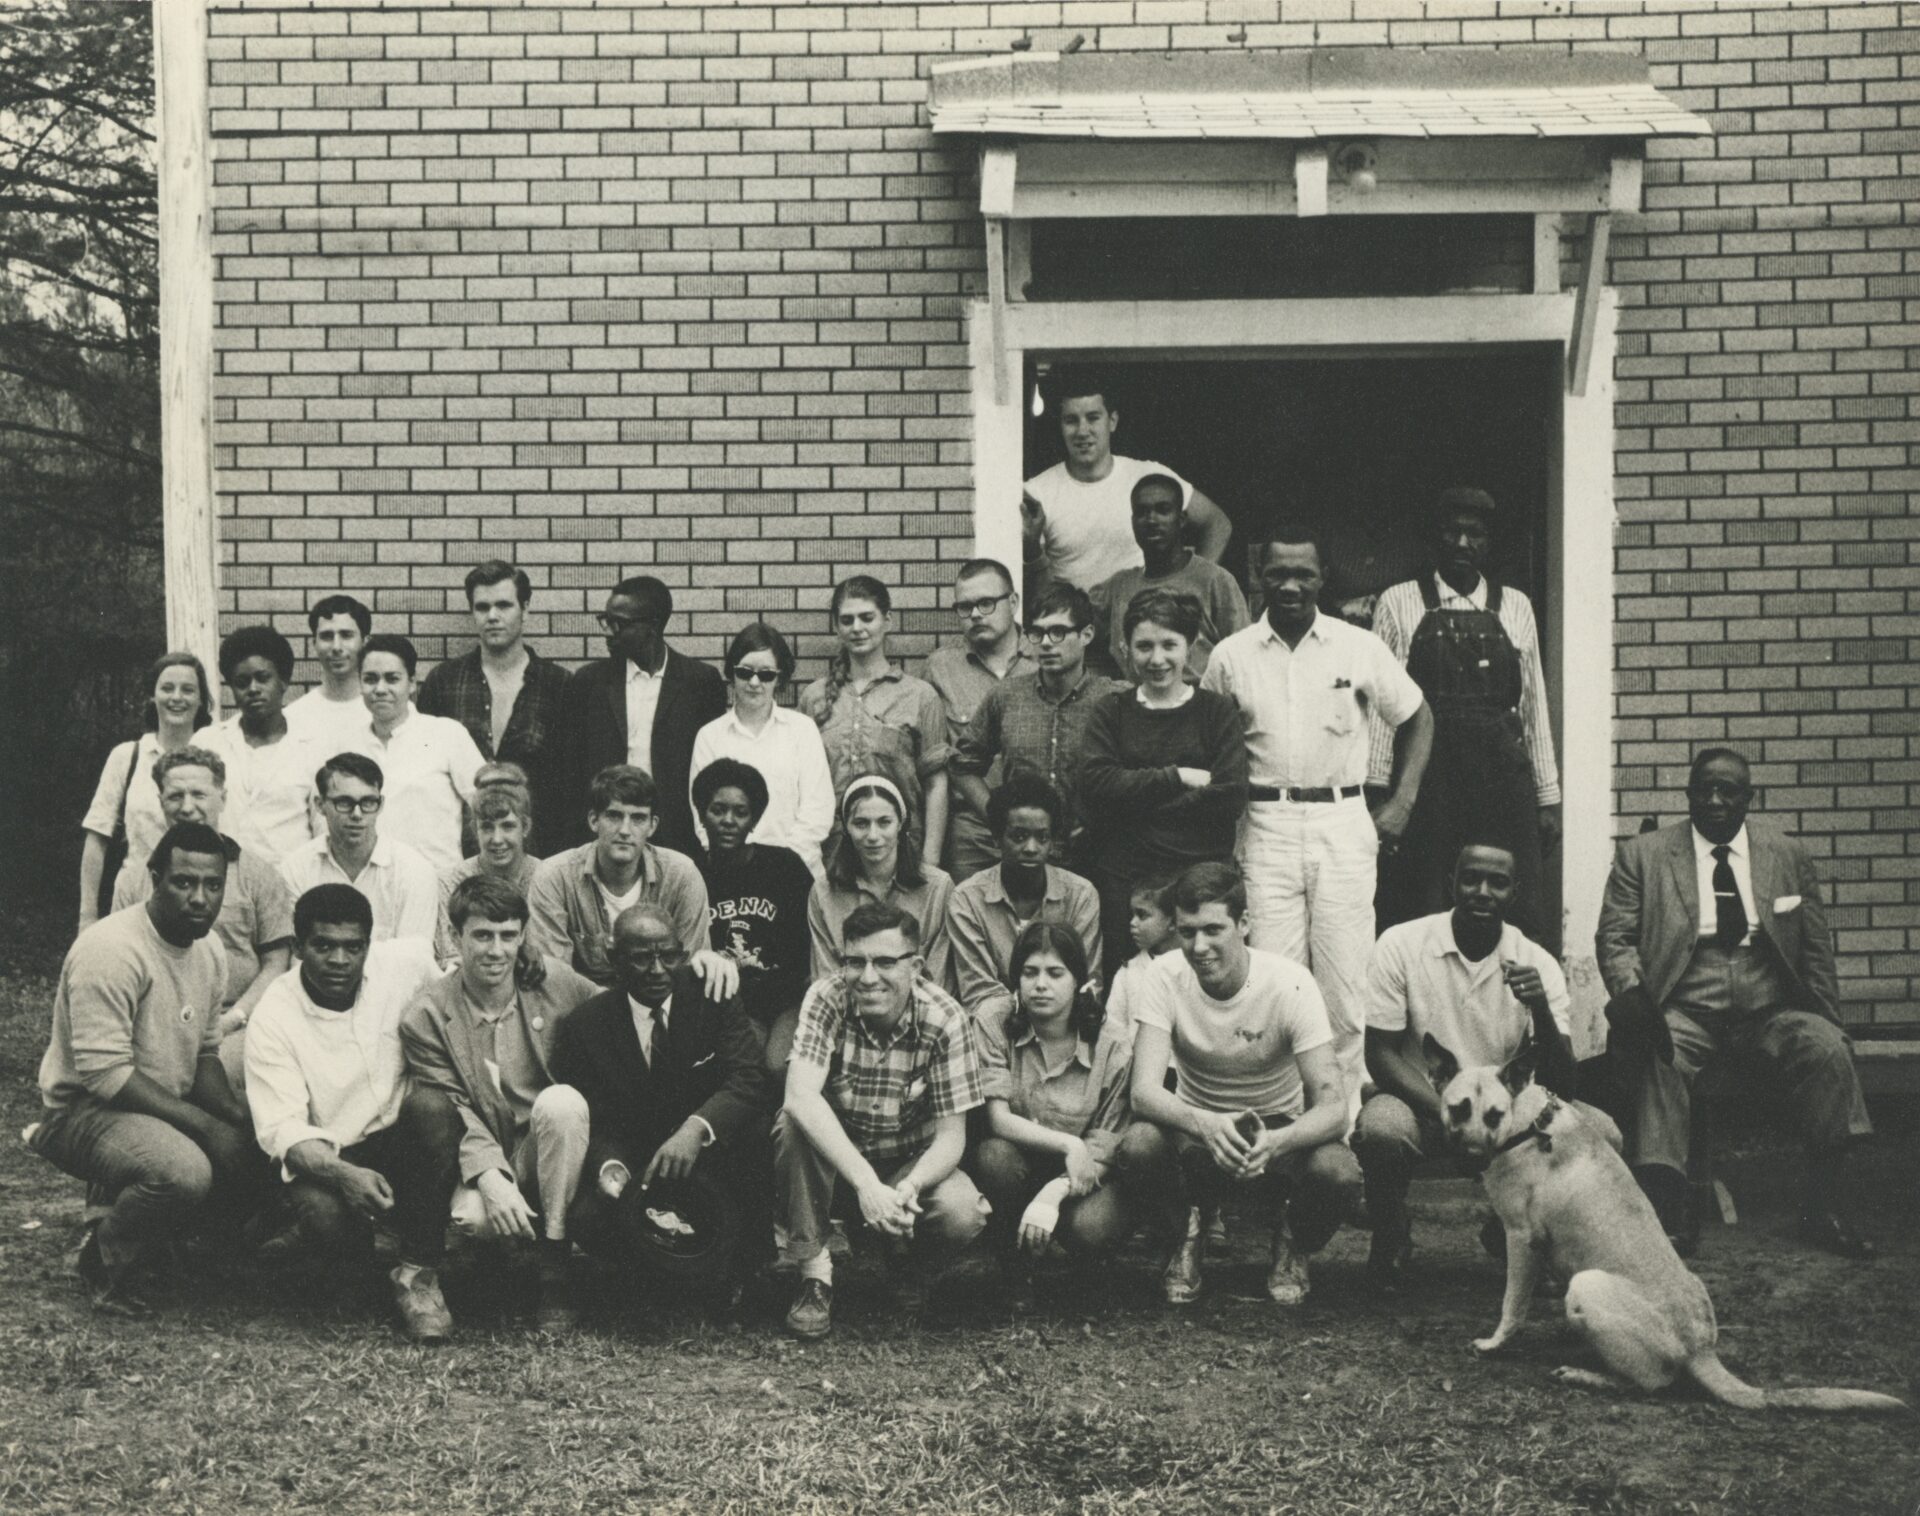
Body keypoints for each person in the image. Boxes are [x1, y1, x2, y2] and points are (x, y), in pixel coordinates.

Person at [1595, 747, 1875, 1258]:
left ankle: (1824, 1207)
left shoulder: (1787, 855)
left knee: (1827, 1049)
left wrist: (1831, 1020)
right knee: (1661, 1054)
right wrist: (1634, 1000)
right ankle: (1668, 1212)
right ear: (1689, 795)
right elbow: (1614, 937)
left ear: (1750, 798)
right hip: (1685, 998)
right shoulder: (1646, 854)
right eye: (1705, 790)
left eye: (1729, 791)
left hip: (1769, 1003)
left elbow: (1815, 949)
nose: (1716, 800)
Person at [1203, 527, 1433, 1123]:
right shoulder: (1231, 656)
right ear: (1260, 576)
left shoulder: (1356, 647)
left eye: (1303, 573)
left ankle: (1345, 1126)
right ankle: (1283, 1127)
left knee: (1344, 984)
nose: (1290, 585)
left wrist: (1402, 801)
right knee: (1275, 981)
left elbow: (1417, 716)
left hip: (1341, 820)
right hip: (1265, 822)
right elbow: (1209, 739)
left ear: (1323, 578)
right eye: (1277, 572)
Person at [28, 822, 259, 1316]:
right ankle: (103, 1258)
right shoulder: (111, 949)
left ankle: (183, 1248)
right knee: (184, 1171)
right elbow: (104, 1075)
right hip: (80, 1111)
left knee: (250, 1131)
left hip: (153, 1104)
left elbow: (205, 1052)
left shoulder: (209, 948)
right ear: (154, 878)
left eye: (212, 885)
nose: (199, 898)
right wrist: (203, 1125)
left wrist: (236, 1121)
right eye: (183, 882)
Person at [1124, 862, 1360, 1308]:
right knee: (1137, 1145)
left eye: (1214, 929)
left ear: (1245, 924)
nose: (1199, 947)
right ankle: (1185, 1235)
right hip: (1199, 1131)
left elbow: (1333, 1107)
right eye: (1187, 931)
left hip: (1275, 1131)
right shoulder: (1164, 976)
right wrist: (1207, 1124)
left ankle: (1293, 1241)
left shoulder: (1289, 983)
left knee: (1338, 1172)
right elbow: (1144, 1091)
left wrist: (1279, 1140)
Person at [241, 885, 461, 1339]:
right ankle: (319, 1244)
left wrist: (529, 958)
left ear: (369, 944)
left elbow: (464, 972)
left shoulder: (405, 963)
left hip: (399, 1139)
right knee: (329, 1227)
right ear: (298, 947)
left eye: (352, 947)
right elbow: (284, 1134)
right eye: (323, 946)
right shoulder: (273, 1016)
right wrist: (344, 1175)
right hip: (331, 1154)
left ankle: (417, 1273)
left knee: (434, 1108)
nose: (339, 960)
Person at [1354, 842, 1578, 1286]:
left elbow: (1564, 1083)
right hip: (1424, 1103)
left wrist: (1541, 1011)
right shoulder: (1402, 944)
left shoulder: (1537, 963)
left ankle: (1512, 1232)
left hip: (1504, 1114)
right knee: (1381, 1129)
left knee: (1602, 1132)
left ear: (1514, 893)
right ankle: (1391, 1232)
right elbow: (1379, 1053)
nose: (1482, 891)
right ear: (1450, 885)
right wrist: (1441, 1109)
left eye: (1497, 882)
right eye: (1471, 878)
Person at [776, 900, 989, 1339]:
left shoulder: (946, 1019)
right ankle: (814, 1276)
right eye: (855, 962)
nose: (867, 977)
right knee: (793, 1123)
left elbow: (951, 1139)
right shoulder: (826, 997)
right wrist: (866, 1185)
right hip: (835, 1165)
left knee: (961, 1211)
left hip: (906, 1163)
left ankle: (907, 1266)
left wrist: (907, 1187)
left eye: (885, 962)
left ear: (917, 965)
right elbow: (800, 1095)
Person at [399, 874, 601, 1328]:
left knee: (563, 1102)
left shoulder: (552, 980)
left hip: (546, 1147)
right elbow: (452, 1104)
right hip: (483, 1151)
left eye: (508, 936)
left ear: (523, 935)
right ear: (455, 936)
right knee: (473, 1219)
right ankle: (499, 1261)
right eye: (482, 936)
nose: (496, 951)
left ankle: (553, 1262)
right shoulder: (427, 1015)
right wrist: (490, 1174)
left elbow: (610, 1012)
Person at [553, 904, 775, 1307]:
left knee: (755, 1132)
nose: (657, 970)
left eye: (668, 956)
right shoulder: (587, 1025)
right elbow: (593, 1117)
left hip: (708, 1158)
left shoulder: (714, 998)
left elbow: (750, 1077)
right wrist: (610, 1165)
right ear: (613, 959)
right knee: (588, 1217)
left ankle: (748, 1270)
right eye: (641, 958)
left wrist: (695, 1129)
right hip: (639, 1164)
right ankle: (651, 1276)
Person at [1369, 488, 1561, 947]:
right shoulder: (1399, 601)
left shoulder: (1514, 605)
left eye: (1473, 534)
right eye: (1450, 532)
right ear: (1433, 540)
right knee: (1423, 902)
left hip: (1501, 777)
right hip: (1429, 779)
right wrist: (1379, 788)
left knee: (1511, 903)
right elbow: (1381, 706)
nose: (1461, 543)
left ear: (1489, 542)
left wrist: (1546, 795)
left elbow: (1532, 702)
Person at [1080, 589, 1248, 984]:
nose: (1157, 659)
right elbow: (1095, 784)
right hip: (1128, 884)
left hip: (1202, 879)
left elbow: (1228, 797)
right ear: (1125, 648)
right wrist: (1179, 778)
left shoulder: (1215, 711)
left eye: (1169, 645)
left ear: (1189, 646)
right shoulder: (1112, 711)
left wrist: (1133, 800)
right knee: (1131, 986)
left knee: (1204, 984)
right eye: (1144, 646)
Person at [970, 922, 1143, 1299]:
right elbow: (997, 1119)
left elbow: (1107, 1140)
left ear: (1080, 981)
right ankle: (1017, 1267)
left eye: (1055, 973)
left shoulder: (1110, 1042)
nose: (1040, 984)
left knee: (1092, 1229)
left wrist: (1056, 1189)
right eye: (1029, 973)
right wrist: (1068, 1144)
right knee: (993, 1156)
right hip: (1018, 1162)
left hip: (1083, 1175)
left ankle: (1085, 1270)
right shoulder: (993, 1020)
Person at [111, 748, 295, 1085]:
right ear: (160, 800)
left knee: (209, 1078)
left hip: (234, 1025)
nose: (187, 806)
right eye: (175, 795)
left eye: (199, 794)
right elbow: (117, 963)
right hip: (153, 1026)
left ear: (222, 798)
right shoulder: (135, 878)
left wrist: (235, 1018)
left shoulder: (258, 874)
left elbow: (277, 964)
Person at [950, 581, 1127, 868]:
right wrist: (999, 817)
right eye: (1037, 633)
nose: (1045, 643)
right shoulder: (1006, 696)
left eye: (1058, 632)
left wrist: (1103, 821)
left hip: (1096, 856)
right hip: (1025, 857)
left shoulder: (1113, 699)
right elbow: (963, 765)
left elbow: (1136, 772)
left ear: (1086, 635)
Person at [1021, 368, 1231, 594]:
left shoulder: (1148, 477)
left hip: (1143, 621)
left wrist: (1192, 585)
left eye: (1093, 418)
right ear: (1060, 426)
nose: (1082, 431)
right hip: (1075, 623)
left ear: (1112, 421)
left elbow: (1217, 523)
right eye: (1071, 421)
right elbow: (1035, 587)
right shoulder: (1038, 491)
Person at [559, 574, 727, 856]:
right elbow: (570, 772)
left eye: (619, 623)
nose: (609, 631)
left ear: (653, 625)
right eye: (606, 620)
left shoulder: (700, 682)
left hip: (676, 836)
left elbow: (710, 771)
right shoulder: (588, 682)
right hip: (607, 834)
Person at [798, 575, 950, 869]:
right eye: (847, 620)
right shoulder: (814, 697)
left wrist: (930, 860)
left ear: (888, 620)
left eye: (867, 617)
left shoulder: (919, 696)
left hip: (900, 853)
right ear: (836, 626)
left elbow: (936, 784)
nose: (857, 628)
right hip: (830, 855)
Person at [417, 559, 573, 839]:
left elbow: (572, 779)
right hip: (459, 848)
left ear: (525, 609)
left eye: (503, 605)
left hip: (540, 849)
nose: (492, 616)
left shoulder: (558, 684)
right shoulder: (443, 682)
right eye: (482, 607)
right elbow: (423, 768)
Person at [526, 764, 712, 987]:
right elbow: (555, 976)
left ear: (652, 826)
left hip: (661, 1005)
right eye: (614, 816)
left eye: (638, 818)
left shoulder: (681, 875)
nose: (625, 830)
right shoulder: (555, 876)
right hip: (582, 1011)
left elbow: (689, 967)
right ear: (594, 820)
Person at [690, 757, 816, 1072]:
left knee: (780, 1065)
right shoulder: (690, 873)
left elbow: (807, 944)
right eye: (718, 810)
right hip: (727, 1003)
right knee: (740, 1062)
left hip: (785, 1001)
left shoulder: (785, 866)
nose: (728, 820)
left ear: (754, 819)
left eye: (740, 812)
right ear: (702, 816)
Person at [78, 650, 216, 931]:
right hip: (136, 900)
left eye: (188, 690)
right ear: (152, 696)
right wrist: (87, 916)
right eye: (167, 688)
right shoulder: (127, 756)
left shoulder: (216, 755)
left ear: (201, 700)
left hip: (200, 902)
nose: (177, 697)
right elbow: (97, 838)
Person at [687, 621, 834, 879]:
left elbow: (818, 809)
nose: (754, 682)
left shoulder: (802, 730)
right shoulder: (710, 736)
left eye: (766, 674)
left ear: (779, 678)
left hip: (795, 874)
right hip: (729, 875)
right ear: (732, 673)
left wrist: (782, 866)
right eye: (745, 672)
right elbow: (701, 811)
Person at [948, 775, 1102, 1019]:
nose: (1031, 848)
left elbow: (1086, 983)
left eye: (1042, 838)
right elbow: (979, 992)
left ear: (1052, 842)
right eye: (1019, 837)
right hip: (995, 1028)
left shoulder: (1080, 894)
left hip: (1063, 1027)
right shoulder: (967, 899)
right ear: (997, 838)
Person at [923, 560, 1032, 882]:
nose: (975, 614)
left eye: (986, 603)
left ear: (1013, 602)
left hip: (1038, 831)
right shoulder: (940, 669)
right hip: (970, 834)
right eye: (965, 606)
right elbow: (933, 761)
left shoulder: (1045, 660)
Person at [1091, 473, 1248, 681]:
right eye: (1142, 512)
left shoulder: (1215, 581)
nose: (1152, 520)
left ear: (1181, 519)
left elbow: (1245, 658)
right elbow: (1065, 615)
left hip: (1200, 705)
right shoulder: (1118, 587)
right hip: (1137, 706)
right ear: (1133, 522)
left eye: (1163, 510)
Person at [353, 633, 485, 876]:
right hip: (369, 887)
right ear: (359, 684)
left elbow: (487, 804)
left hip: (439, 883)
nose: (380, 689)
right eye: (370, 679)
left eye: (392, 679)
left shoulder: (446, 733)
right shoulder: (348, 744)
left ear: (412, 683)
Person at [807, 776, 954, 990]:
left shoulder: (938, 888)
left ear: (901, 823)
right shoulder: (823, 891)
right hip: (848, 1009)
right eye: (861, 823)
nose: (873, 835)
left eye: (884, 822)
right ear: (846, 827)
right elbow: (826, 980)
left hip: (920, 1013)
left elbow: (937, 980)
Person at [281, 753, 439, 944]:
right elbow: (298, 955)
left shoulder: (414, 871)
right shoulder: (296, 868)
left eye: (368, 803)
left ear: (380, 805)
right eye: (344, 803)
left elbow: (413, 958)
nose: (357, 814)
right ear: (320, 805)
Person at [202, 626, 322, 871]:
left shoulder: (313, 746)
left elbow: (323, 830)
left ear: (283, 681)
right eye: (242, 682)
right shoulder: (208, 743)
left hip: (290, 883)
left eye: (263, 678)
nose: (253, 689)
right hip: (222, 882)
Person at [434, 783, 541, 961]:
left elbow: (549, 956)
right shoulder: (450, 882)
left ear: (526, 827)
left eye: (507, 826)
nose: (497, 839)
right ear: (475, 830)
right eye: (487, 827)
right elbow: (451, 957)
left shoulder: (546, 877)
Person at [286, 594, 374, 754]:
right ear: (314, 644)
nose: (336, 646)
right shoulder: (294, 717)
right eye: (326, 636)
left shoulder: (387, 710)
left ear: (365, 641)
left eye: (346, 635)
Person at [1104, 874, 1180, 1036]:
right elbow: (1113, 1031)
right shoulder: (1128, 972)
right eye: (1132, 915)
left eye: (1142, 915)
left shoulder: (1192, 968)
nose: (1132, 923)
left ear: (1173, 921)